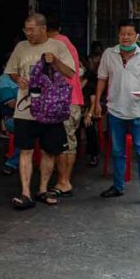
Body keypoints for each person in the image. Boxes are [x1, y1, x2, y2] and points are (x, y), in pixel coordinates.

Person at [4, 13, 75, 209]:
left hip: (50, 108)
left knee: (49, 151)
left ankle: (42, 189)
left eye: (31, 30)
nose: (28, 34)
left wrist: (55, 62)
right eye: (26, 30)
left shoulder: (58, 46)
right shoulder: (21, 47)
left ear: (43, 29)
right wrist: (18, 79)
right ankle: (26, 193)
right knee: (25, 150)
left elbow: (70, 73)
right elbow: (11, 70)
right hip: (25, 108)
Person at [95, 19, 140, 208]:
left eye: (129, 34)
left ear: (137, 36)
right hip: (115, 109)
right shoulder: (109, 54)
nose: (125, 37)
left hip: (139, 111)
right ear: (118, 36)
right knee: (117, 152)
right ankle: (118, 186)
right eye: (122, 34)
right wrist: (97, 103)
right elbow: (102, 79)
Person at [46, 18, 84, 198]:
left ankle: (64, 181)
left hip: (63, 100)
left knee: (65, 144)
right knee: (69, 142)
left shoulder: (54, 45)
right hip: (74, 99)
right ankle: (63, 179)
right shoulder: (69, 44)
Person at [0, 71, 21, 175]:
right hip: (11, 118)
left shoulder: (25, 77)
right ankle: (12, 163)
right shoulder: (4, 80)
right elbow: (11, 104)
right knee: (26, 131)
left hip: (28, 116)